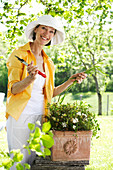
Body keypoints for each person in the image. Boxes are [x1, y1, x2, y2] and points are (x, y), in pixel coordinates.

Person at [6, 15, 87, 169]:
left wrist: (71, 80)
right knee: (18, 162)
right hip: (20, 116)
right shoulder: (19, 54)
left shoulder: (48, 62)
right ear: (36, 29)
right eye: (44, 28)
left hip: (41, 117)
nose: (46, 34)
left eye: (51, 31)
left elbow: (51, 92)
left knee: (36, 163)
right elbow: (13, 89)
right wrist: (30, 79)